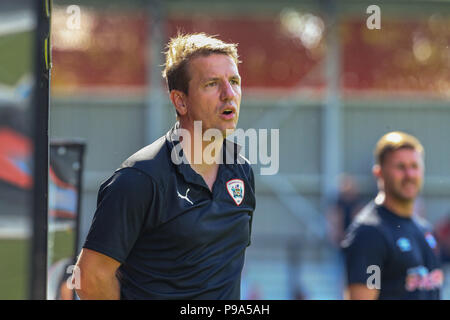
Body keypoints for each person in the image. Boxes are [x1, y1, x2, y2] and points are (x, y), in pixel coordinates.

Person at [74, 33, 256, 299]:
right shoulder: (139, 178)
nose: (229, 94)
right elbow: (90, 278)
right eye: (212, 84)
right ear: (180, 101)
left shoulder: (241, 170)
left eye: (234, 82)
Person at [341, 131, 443, 300]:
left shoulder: (424, 229)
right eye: (400, 167)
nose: (409, 175)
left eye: (414, 166)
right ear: (379, 173)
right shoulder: (370, 233)